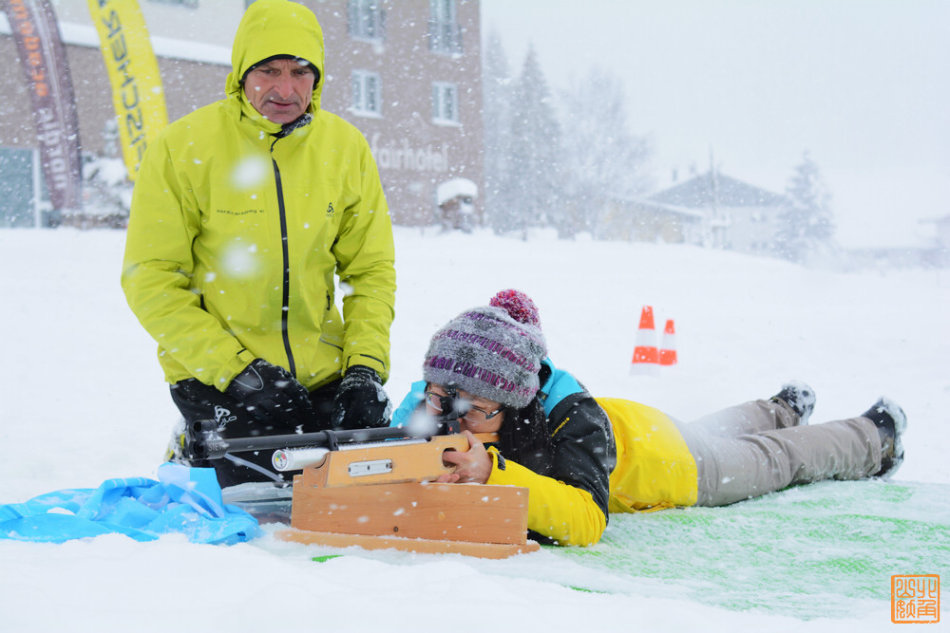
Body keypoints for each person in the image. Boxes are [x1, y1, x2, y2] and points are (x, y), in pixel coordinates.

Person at [122, 0, 396, 488]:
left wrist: (364, 369)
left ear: (318, 78)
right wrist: (240, 372)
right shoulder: (184, 147)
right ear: (242, 72)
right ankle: (190, 446)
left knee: (361, 494)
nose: (284, 89)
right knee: (260, 507)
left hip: (320, 375)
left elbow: (370, 271)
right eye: (268, 71)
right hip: (221, 378)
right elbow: (152, 280)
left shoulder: (346, 148)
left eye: (299, 72)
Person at [391, 290, 907, 547]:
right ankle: (782, 406)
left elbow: (586, 519)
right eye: (441, 398)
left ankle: (873, 436)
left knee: (774, 459)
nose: (453, 418)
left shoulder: (570, 414)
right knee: (717, 426)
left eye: (477, 411)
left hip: (674, 462)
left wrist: (492, 472)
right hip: (640, 425)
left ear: (517, 400)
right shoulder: (448, 393)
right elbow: (397, 440)